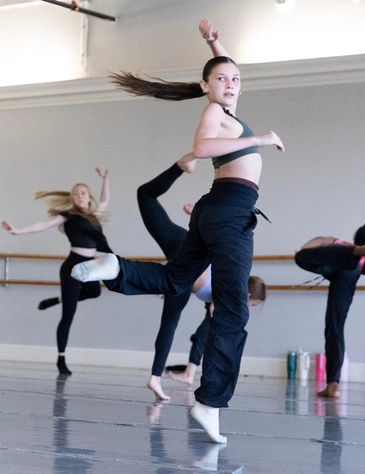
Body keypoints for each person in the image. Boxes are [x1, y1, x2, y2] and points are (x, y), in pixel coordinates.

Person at [71, 19, 284, 443]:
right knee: (234, 310)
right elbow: (202, 148)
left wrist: (213, 43)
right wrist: (259, 139)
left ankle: (115, 268)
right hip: (228, 211)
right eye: (221, 79)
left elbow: (225, 72)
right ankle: (209, 402)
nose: (231, 83)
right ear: (206, 86)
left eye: (236, 79)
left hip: (217, 210)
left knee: (175, 279)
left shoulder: (226, 110)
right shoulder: (214, 112)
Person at [135, 157, 266, 400]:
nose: (251, 307)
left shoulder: (227, 282)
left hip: (182, 247)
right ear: (249, 295)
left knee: (145, 195)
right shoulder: (229, 288)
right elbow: (213, 249)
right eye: (254, 303)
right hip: (185, 255)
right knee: (170, 320)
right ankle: (155, 377)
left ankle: (179, 167)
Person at [1, 167, 111, 375]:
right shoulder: (68, 216)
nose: (79, 196)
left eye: (83, 193)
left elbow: (104, 201)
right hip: (73, 265)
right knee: (69, 315)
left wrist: (105, 180)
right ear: (72, 198)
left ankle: (59, 299)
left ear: (89, 197)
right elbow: (43, 224)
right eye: (76, 193)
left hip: (92, 266)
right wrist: (17, 231)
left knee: (95, 292)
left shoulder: (95, 216)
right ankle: (61, 359)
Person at [294, 220, 365, 399]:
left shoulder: (338, 242)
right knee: (335, 329)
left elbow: (319, 240)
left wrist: (302, 249)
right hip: (348, 270)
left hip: (336, 262)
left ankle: (352, 253)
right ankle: (332, 385)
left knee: (301, 257)